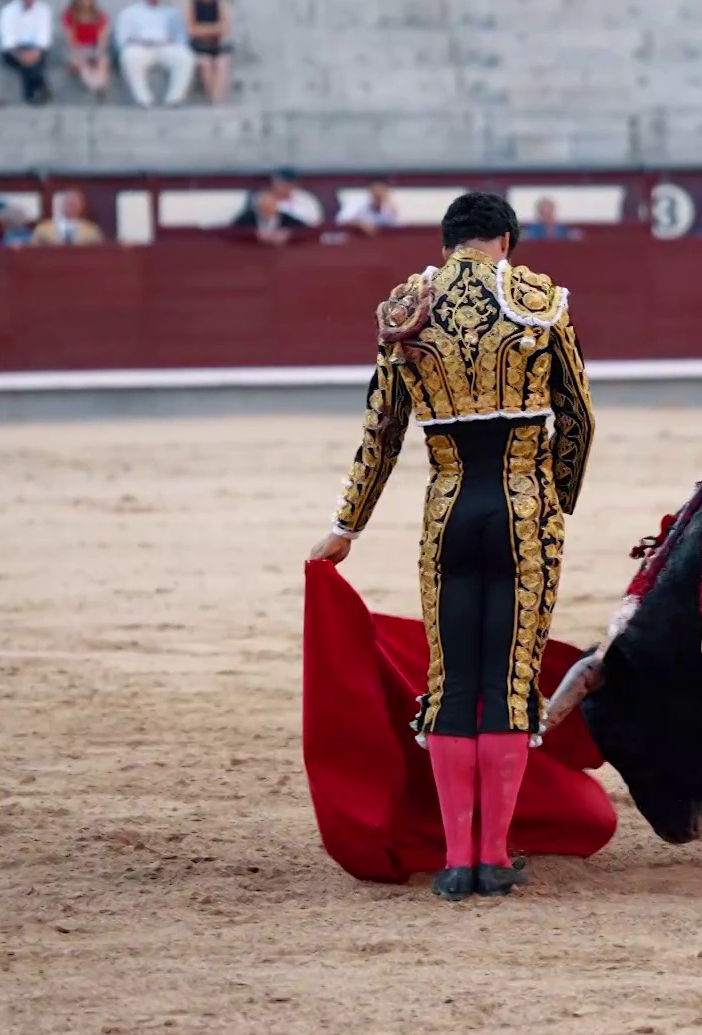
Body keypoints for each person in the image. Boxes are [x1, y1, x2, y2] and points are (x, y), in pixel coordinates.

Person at [307, 192, 597, 902]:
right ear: (505, 239)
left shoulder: (409, 309)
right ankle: (492, 857)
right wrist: (555, 501)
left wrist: (347, 527)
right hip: (521, 510)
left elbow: (381, 432)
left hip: (448, 511)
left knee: (451, 683)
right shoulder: (540, 298)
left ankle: (455, 860)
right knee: (506, 681)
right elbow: (579, 419)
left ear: (447, 244)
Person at [114, 0, 194, 107]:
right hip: (140, 47)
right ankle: (143, 100)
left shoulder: (173, 13)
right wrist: (137, 41)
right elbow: (121, 39)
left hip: (166, 47)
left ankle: (174, 99)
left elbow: (182, 38)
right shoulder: (129, 12)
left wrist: (169, 42)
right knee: (129, 55)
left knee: (186, 57)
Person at [0, 0, 53, 105]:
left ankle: (30, 94)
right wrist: (20, 54)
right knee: (27, 63)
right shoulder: (8, 10)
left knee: (31, 63)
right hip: (14, 51)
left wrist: (35, 52)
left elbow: (44, 36)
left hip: (36, 49)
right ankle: (40, 85)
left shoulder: (44, 10)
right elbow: (7, 39)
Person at [61, 0, 111, 100]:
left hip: (93, 48)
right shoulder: (69, 15)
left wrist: (97, 55)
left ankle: (99, 87)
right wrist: (81, 55)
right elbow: (70, 40)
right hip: (76, 49)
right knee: (83, 63)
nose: (85, 0)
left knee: (103, 62)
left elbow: (102, 41)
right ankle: (95, 86)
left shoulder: (100, 16)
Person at [186, 0, 232, 103]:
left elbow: (225, 27)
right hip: (199, 46)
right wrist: (214, 29)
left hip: (215, 45)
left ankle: (216, 99)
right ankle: (212, 98)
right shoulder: (192, 4)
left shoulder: (219, 3)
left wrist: (203, 29)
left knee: (223, 63)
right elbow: (191, 30)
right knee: (205, 63)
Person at [32, 188, 105, 245]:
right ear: (62, 204)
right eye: (69, 203)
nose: (71, 207)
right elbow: (32, 252)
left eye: (74, 204)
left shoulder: (92, 231)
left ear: (81, 206)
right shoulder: (43, 229)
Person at [232, 190, 303, 245]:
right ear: (258, 207)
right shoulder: (247, 218)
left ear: (276, 205)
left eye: (271, 205)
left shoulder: (287, 218)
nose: (268, 209)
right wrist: (254, 234)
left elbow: (306, 230)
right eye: (265, 206)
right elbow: (232, 232)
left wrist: (288, 234)